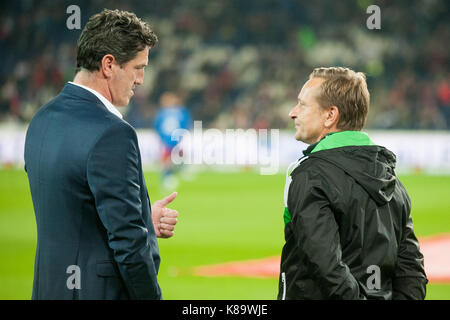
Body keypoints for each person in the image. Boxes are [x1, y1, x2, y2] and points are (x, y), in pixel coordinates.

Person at [24, 9, 179, 300]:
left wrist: (144, 218)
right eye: (137, 67)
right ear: (109, 65)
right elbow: (129, 244)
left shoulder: (42, 119)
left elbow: (72, 208)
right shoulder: (112, 133)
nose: (141, 80)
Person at [278, 67, 427, 300]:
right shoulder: (392, 180)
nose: (292, 113)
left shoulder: (309, 175)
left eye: (302, 105)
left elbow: (326, 267)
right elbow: (411, 269)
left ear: (330, 115)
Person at [153, 92, 192, 190]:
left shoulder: (180, 111)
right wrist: (162, 137)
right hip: (167, 139)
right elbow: (157, 126)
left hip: (177, 138)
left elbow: (186, 123)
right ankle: (167, 178)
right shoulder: (163, 113)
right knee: (167, 159)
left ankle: (180, 170)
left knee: (179, 154)